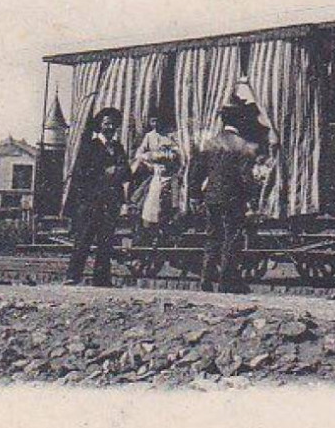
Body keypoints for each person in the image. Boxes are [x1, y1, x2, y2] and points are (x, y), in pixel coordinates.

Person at [192, 103, 260, 293]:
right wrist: (252, 198)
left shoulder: (210, 143)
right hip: (233, 198)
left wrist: (195, 194)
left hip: (212, 197)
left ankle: (206, 278)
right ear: (239, 121)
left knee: (213, 235)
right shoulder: (243, 146)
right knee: (232, 237)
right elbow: (246, 176)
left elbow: (197, 171)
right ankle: (226, 281)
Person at [65, 106, 130, 287]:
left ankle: (101, 278)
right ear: (100, 126)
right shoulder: (90, 147)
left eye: (113, 124)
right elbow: (81, 173)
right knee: (84, 238)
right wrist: (106, 173)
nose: (110, 128)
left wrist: (117, 171)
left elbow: (127, 172)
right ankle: (73, 275)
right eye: (107, 124)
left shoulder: (118, 148)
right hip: (91, 201)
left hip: (111, 201)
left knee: (106, 240)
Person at [131, 113, 181, 244]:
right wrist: (149, 161)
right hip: (155, 174)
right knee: (149, 204)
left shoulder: (171, 135)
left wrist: (168, 157)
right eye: (152, 121)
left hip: (170, 175)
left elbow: (178, 153)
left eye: (157, 121)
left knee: (169, 205)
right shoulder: (149, 136)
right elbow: (139, 154)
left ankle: (167, 238)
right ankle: (149, 235)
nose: (155, 124)